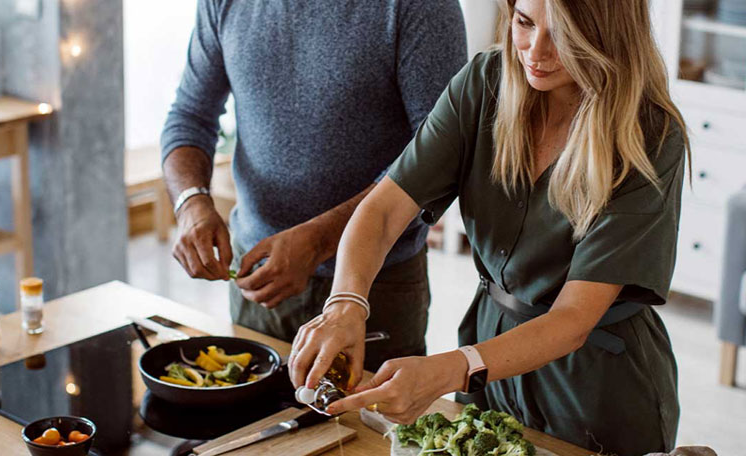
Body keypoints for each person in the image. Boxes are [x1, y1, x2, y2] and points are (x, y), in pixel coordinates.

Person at [288, 0, 690, 454]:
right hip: (489, 351)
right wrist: (345, 304)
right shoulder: (484, 83)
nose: (535, 50)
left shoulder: (651, 137)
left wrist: (448, 369)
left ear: (607, 38)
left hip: (597, 382)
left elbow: (573, 319)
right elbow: (383, 210)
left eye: (563, 35)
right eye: (524, 22)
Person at [160, 0, 467, 370]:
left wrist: (320, 240)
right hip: (255, 283)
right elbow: (189, 115)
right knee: (252, 423)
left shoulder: (419, 7)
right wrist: (191, 203)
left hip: (372, 287)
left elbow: (442, 157)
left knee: (369, 427)